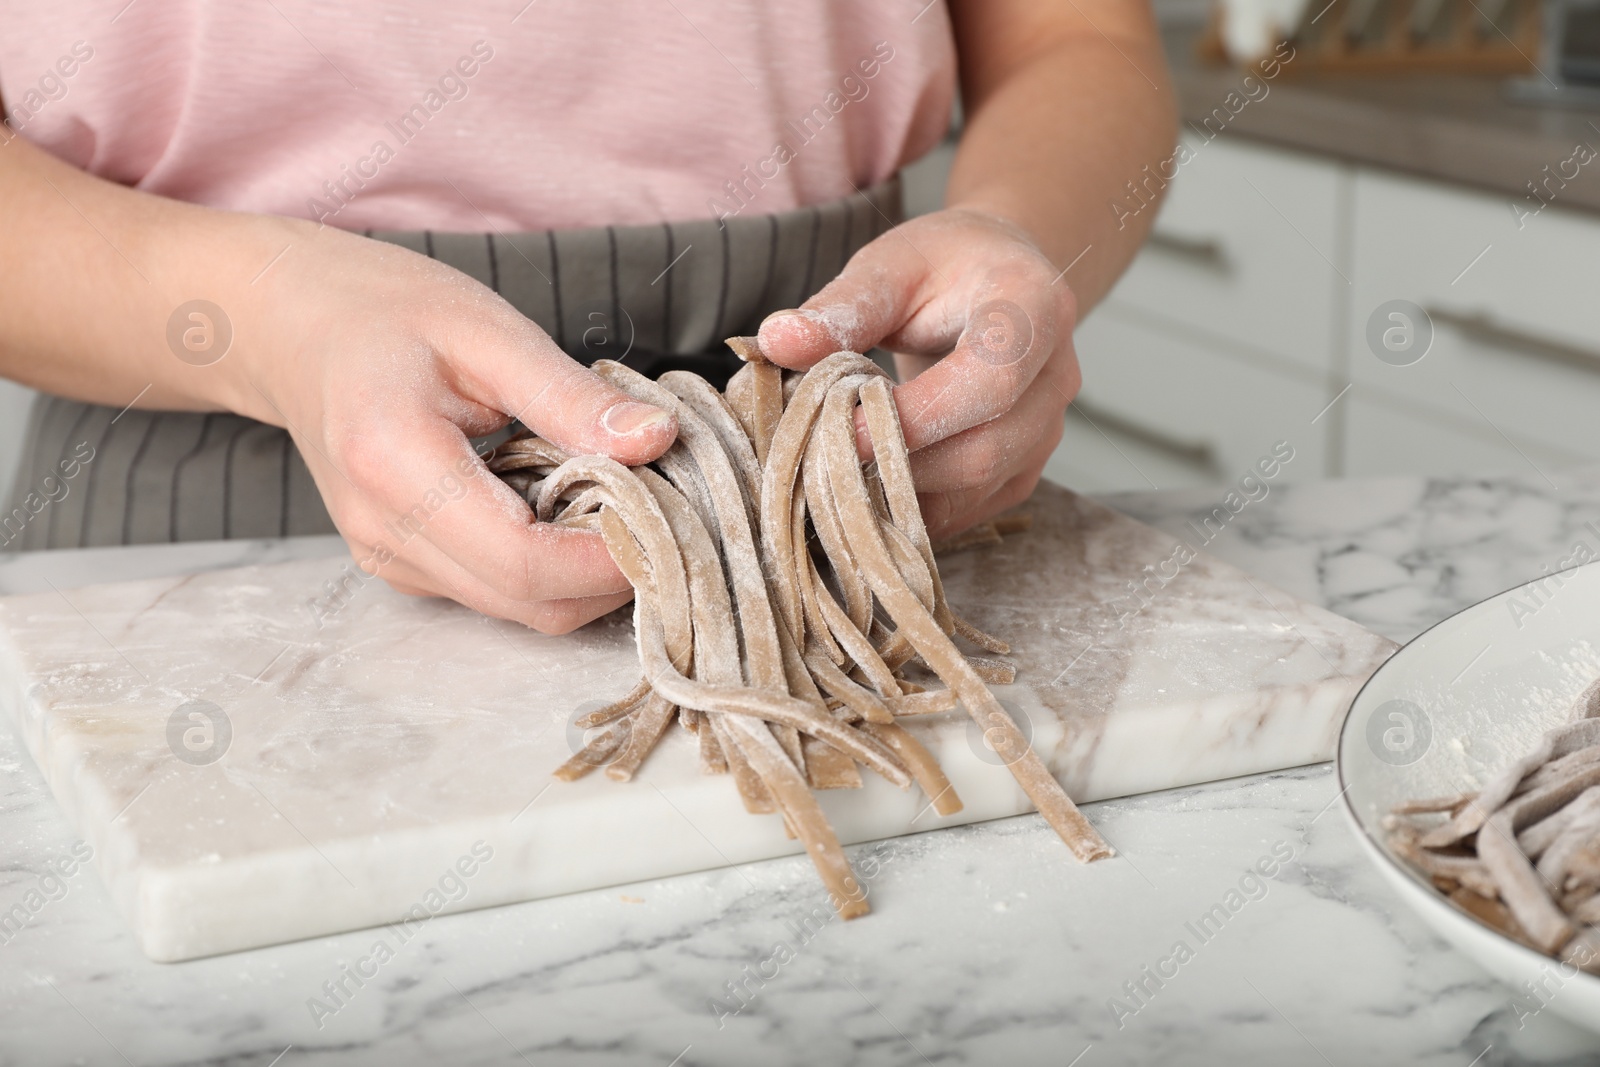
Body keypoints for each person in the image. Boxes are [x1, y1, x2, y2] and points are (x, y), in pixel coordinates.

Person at [0, 1, 1175, 633]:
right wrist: (264, 317)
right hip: (195, 482)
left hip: (839, 480)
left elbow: (1076, 41)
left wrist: (1018, 237)